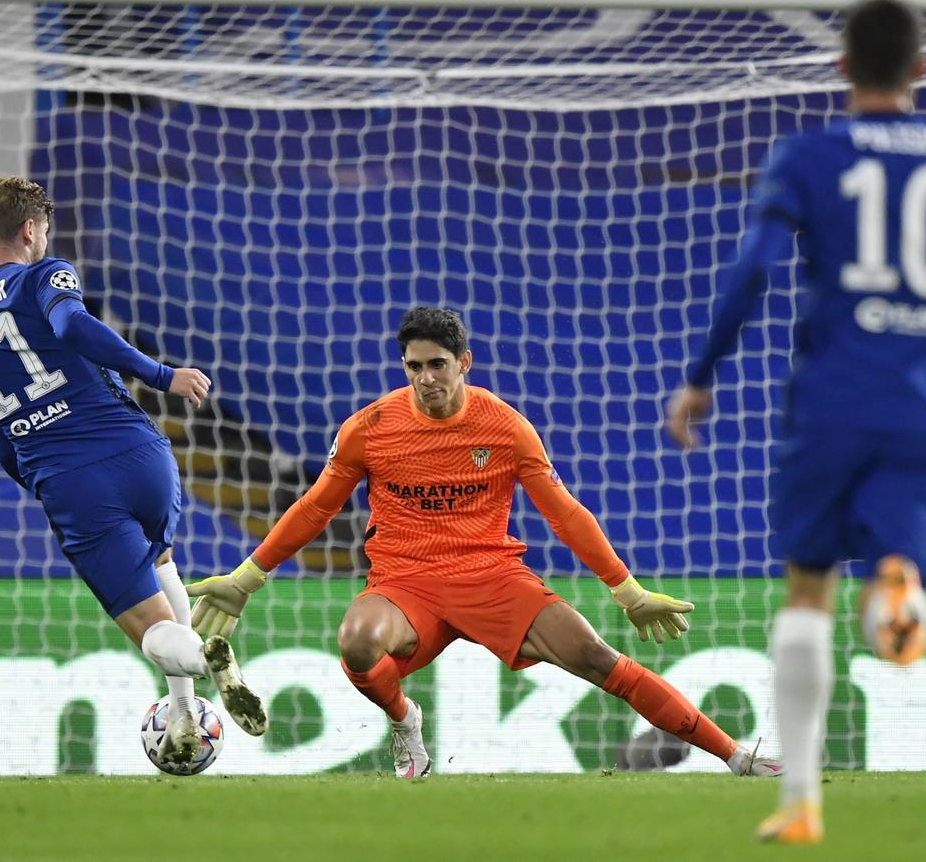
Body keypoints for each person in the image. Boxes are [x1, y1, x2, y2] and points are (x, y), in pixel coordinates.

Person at [666, 0, 926, 844]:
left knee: (808, 587)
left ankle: (799, 803)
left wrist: (700, 379)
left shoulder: (809, 156)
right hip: (922, 406)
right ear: (922, 71)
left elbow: (753, 270)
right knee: (895, 552)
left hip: (829, 397)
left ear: (840, 68)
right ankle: (900, 583)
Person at [188, 306, 782, 780]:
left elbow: (564, 513)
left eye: (437, 364)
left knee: (601, 660)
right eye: (414, 366)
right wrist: (246, 579)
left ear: (463, 362)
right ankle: (406, 724)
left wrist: (626, 592)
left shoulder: (505, 426)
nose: (426, 379)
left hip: (492, 577)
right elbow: (317, 506)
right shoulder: (369, 428)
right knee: (357, 644)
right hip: (404, 583)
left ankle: (734, 756)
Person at [0, 176, 267, 771]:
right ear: (29, 230)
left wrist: (47, 482)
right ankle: (184, 714)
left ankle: (206, 656)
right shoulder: (44, 274)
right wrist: (160, 373)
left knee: (154, 633)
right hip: (142, 454)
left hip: (72, 481)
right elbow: (71, 325)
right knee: (161, 560)